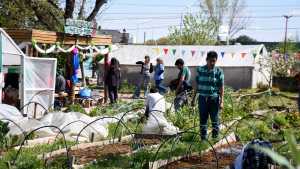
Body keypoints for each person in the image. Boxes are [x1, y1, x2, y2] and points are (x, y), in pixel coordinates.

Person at [196, 51, 224, 141]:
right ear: (206, 60)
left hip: (214, 99)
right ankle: (203, 140)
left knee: (215, 120)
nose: (212, 63)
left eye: (214, 61)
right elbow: (197, 85)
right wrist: (193, 98)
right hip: (202, 98)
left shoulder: (219, 71)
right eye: (210, 61)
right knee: (203, 120)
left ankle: (215, 139)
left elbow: (221, 87)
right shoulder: (200, 70)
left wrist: (222, 101)